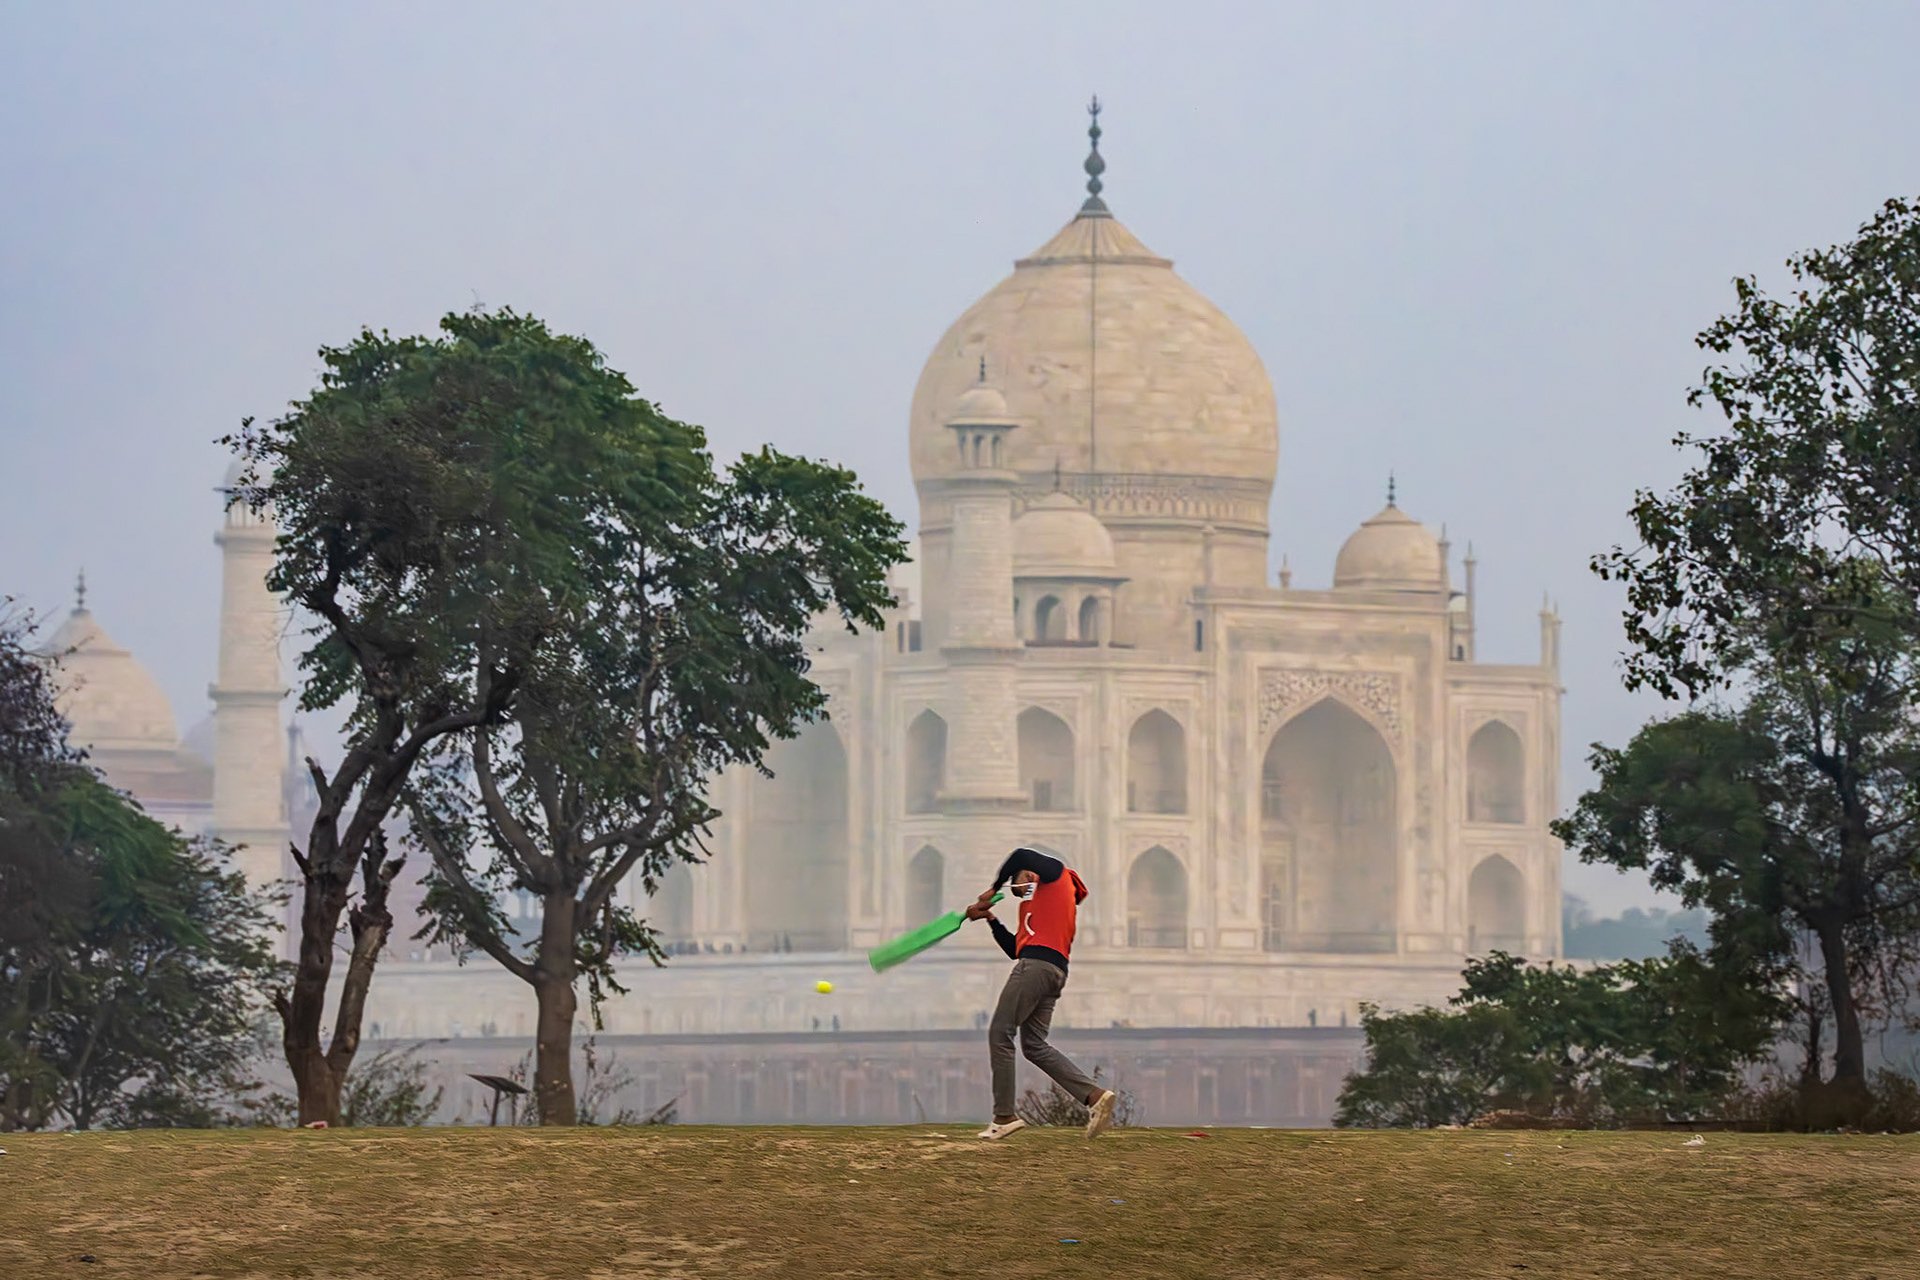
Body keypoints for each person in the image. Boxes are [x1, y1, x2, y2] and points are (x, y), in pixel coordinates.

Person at [965, 846, 1118, 1140]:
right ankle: (1094, 1096)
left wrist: (993, 888)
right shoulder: (1046, 906)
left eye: (1020, 881)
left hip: (1036, 969)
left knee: (1000, 1032)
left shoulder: (1055, 875)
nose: (1021, 885)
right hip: (1053, 971)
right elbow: (1014, 950)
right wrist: (990, 919)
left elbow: (1021, 854)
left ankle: (1004, 1116)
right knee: (1034, 1045)